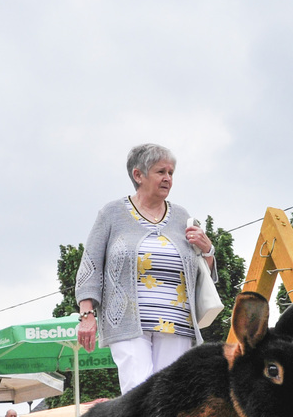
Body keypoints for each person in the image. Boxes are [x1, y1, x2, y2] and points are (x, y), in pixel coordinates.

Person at [76, 143, 218, 394]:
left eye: (171, 173)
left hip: (178, 323)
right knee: (138, 393)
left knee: (170, 397)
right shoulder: (112, 214)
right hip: (129, 322)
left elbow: (198, 275)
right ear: (138, 175)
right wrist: (87, 315)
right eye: (160, 172)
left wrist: (207, 250)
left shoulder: (181, 216)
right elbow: (91, 265)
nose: (168, 179)